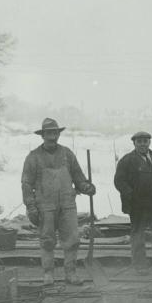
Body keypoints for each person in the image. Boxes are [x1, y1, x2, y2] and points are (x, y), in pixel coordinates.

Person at [21, 118, 96, 286]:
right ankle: (48, 273)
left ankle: (71, 273)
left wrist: (86, 187)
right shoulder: (33, 157)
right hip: (45, 206)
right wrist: (31, 206)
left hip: (67, 204)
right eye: (49, 133)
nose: (52, 136)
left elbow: (78, 177)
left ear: (58, 134)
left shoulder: (67, 154)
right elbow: (26, 184)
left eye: (55, 132)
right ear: (43, 135)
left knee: (72, 239)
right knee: (47, 240)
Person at [114, 131, 152, 275]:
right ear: (134, 143)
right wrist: (132, 195)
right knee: (138, 235)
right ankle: (140, 266)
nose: (142, 144)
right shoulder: (127, 160)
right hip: (138, 206)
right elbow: (119, 181)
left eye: (145, 141)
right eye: (139, 141)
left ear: (149, 142)